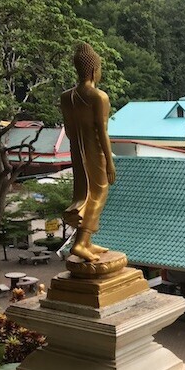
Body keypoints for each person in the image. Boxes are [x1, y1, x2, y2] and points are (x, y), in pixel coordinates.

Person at [60, 43, 117, 263]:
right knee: (98, 193)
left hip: (76, 148)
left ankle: (86, 240)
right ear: (94, 70)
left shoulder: (67, 97)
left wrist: (78, 146)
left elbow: (67, 128)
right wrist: (109, 162)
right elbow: (102, 132)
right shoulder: (98, 97)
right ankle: (81, 243)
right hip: (94, 150)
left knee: (84, 192)